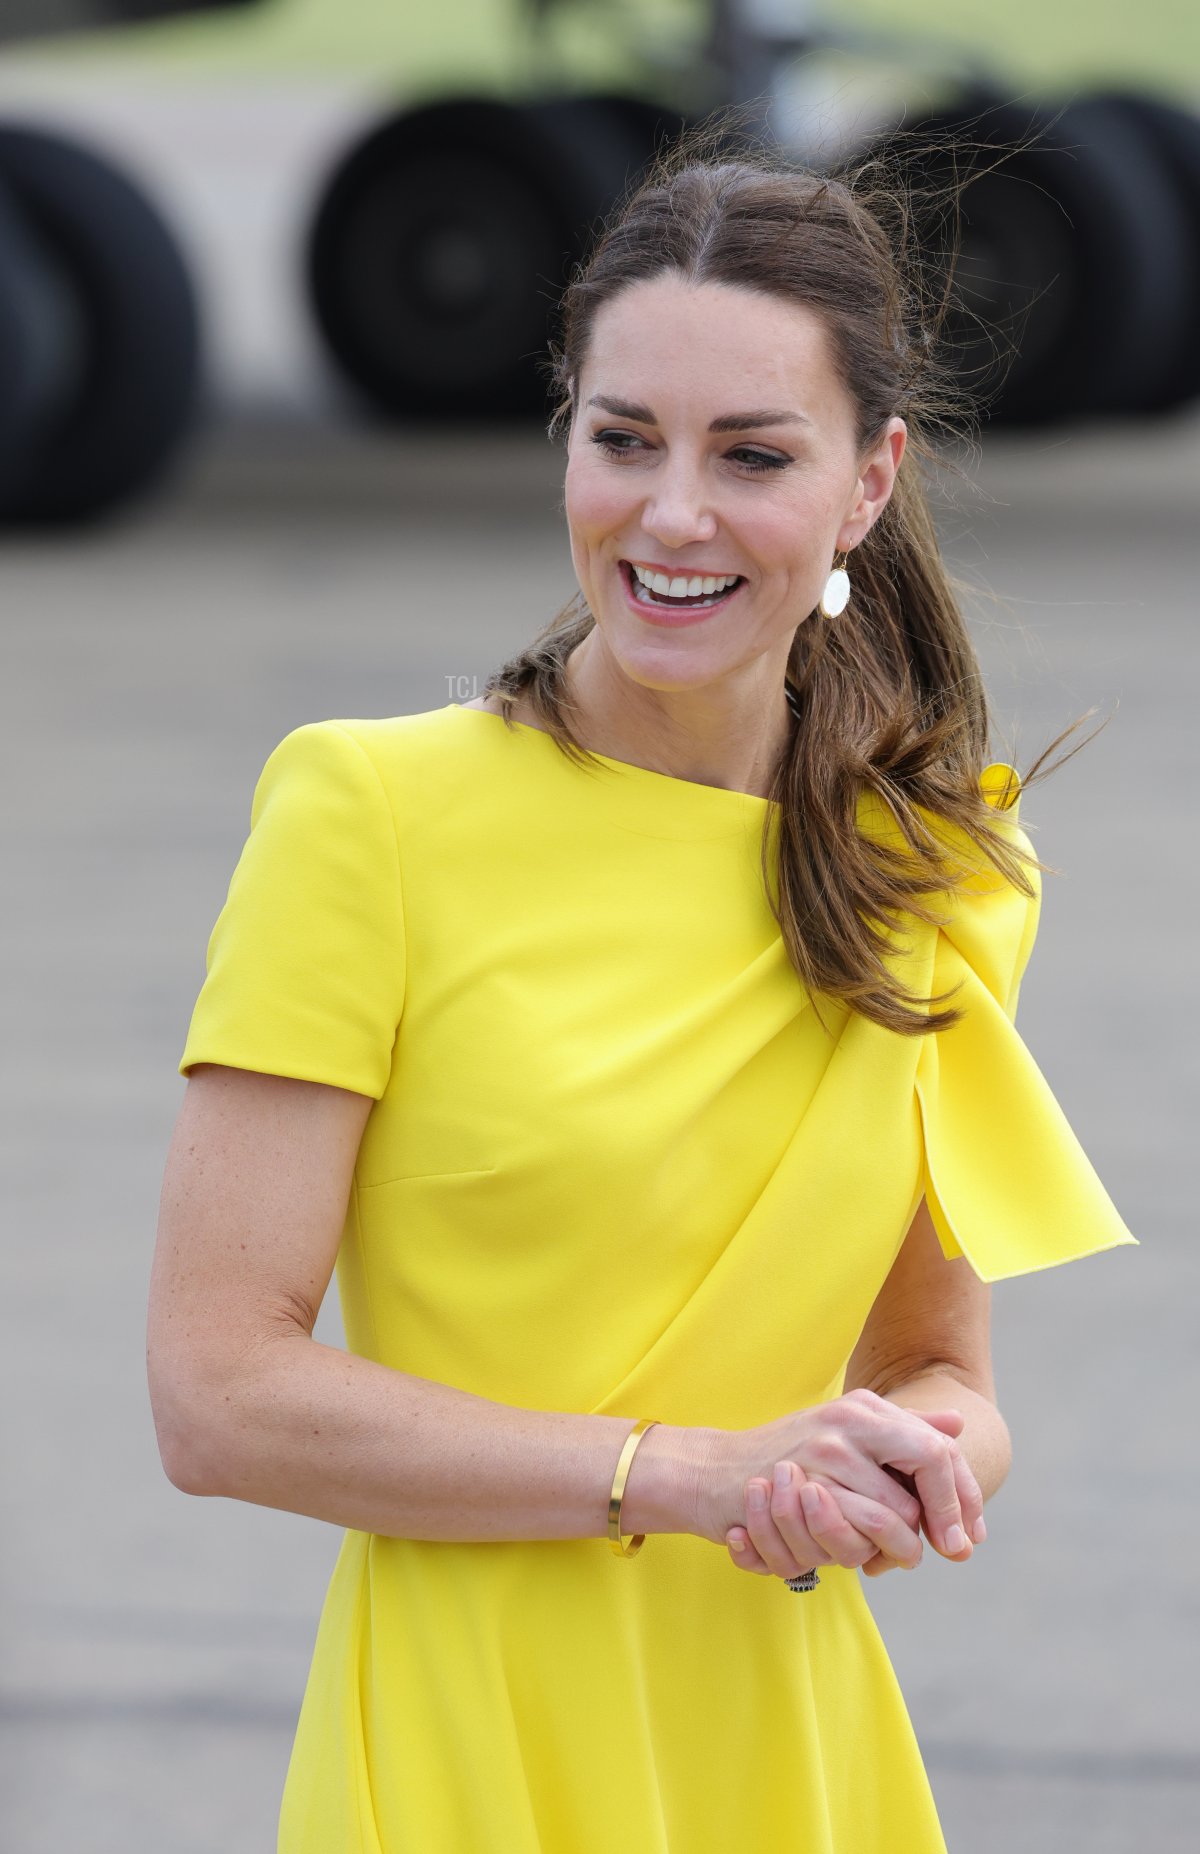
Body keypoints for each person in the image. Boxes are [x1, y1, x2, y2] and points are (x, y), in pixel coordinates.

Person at [148, 131, 1138, 1852]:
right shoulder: (370, 816)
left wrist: (923, 1471)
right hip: (471, 1745)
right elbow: (216, 1391)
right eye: (623, 439)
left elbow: (938, 1368)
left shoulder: (941, 876)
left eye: (751, 454)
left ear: (868, 484)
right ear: (569, 438)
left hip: (784, 1748)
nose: (670, 513)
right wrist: (676, 1475)